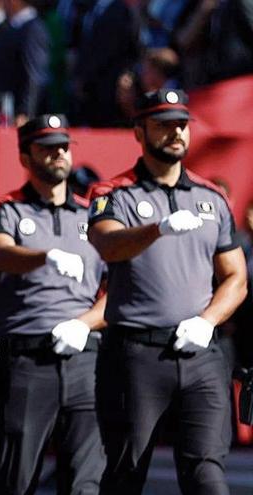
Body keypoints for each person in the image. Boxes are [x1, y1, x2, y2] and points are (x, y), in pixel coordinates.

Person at [87, 89, 247, 494]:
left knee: (207, 474)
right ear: (139, 131)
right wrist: (157, 229)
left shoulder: (211, 197)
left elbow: (236, 278)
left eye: (181, 124)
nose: (175, 132)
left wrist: (207, 321)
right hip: (136, 355)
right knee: (126, 472)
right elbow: (108, 244)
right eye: (163, 124)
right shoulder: (113, 194)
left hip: (199, 353)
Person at [0, 114, 107, 494]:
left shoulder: (93, 214)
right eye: (47, 148)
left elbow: (119, 288)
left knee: (86, 483)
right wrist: (44, 256)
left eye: (63, 147)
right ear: (24, 156)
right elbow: (0, 252)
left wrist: (85, 323)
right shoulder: (4, 208)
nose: (58, 154)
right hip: (26, 361)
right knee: (16, 479)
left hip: (85, 360)